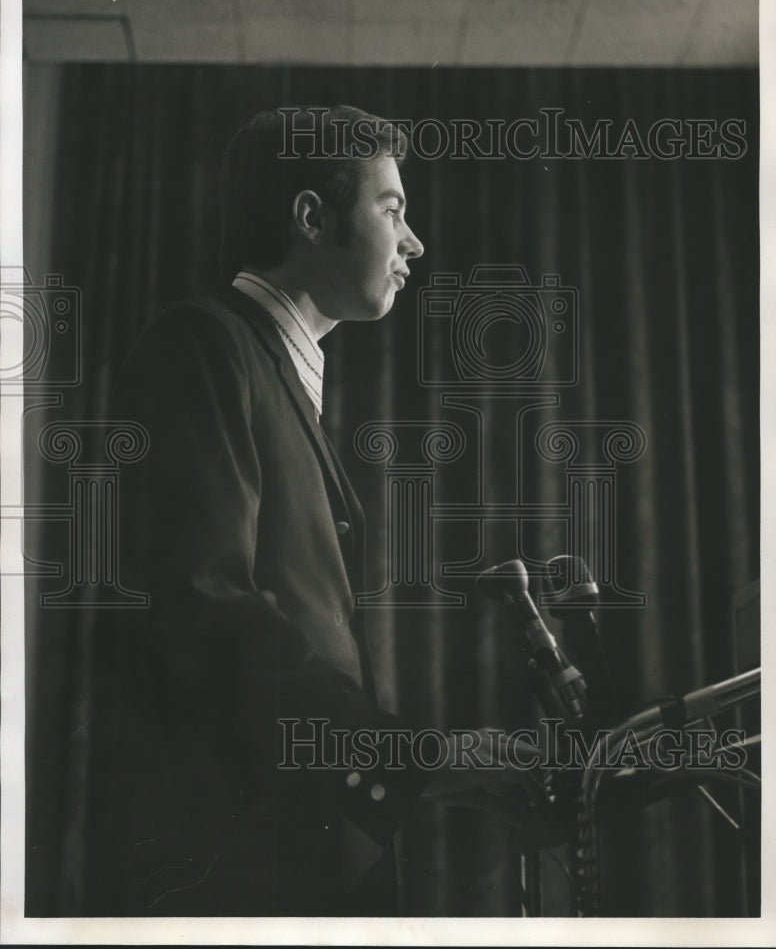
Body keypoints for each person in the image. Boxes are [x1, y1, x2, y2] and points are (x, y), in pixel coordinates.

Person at [84, 105, 560, 918]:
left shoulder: (266, 366)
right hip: (233, 874)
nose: (414, 242)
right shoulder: (202, 344)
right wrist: (415, 757)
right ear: (310, 217)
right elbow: (206, 607)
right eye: (391, 208)